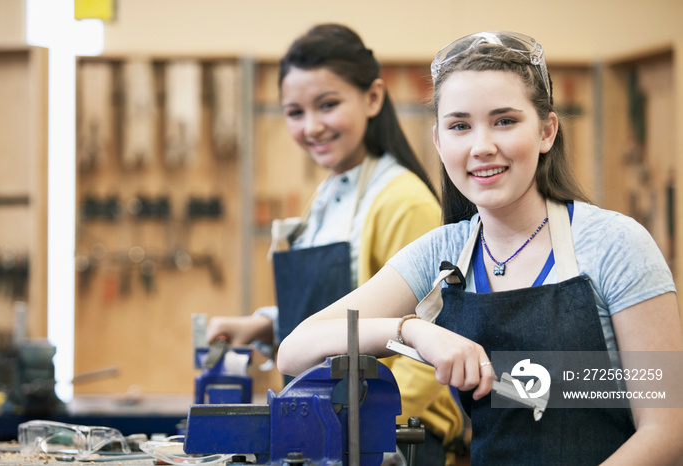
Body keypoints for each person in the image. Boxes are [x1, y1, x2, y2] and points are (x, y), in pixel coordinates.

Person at [278, 31, 683, 465]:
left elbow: (667, 430)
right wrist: (412, 331)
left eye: (505, 121)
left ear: (547, 131)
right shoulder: (443, 253)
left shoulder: (615, 244)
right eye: (460, 126)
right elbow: (295, 349)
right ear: (439, 141)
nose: (481, 146)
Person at [207, 24, 464, 465]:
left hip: (392, 436)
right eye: (294, 112)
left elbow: (435, 344)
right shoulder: (325, 198)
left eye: (327, 105)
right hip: (323, 424)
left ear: (372, 97)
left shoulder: (402, 201)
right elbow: (337, 305)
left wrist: (376, 427)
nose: (312, 126)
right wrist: (265, 325)